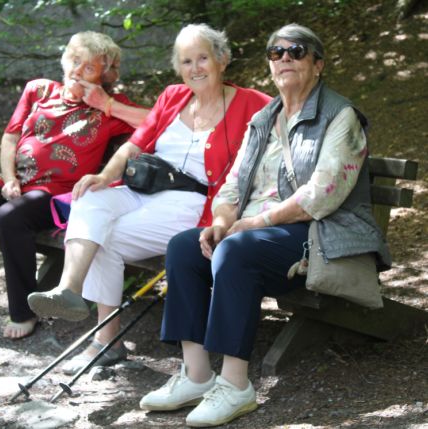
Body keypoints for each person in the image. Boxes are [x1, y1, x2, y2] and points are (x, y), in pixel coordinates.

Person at [139, 23, 391, 427]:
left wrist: (256, 222)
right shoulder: (263, 118)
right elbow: (233, 183)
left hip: (316, 233)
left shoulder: (340, 116)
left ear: (318, 64)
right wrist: (222, 221)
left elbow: (322, 193)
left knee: (236, 252)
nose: (285, 58)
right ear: (270, 64)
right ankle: (197, 375)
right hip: (258, 231)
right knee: (184, 247)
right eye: (277, 52)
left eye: (297, 51)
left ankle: (235, 385)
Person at [27, 23, 272, 375]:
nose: (195, 68)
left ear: (222, 59)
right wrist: (104, 177)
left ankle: (106, 341)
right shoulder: (173, 96)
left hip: (192, 203)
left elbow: (289, 120)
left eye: (203, 58)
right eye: (186, 61)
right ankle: (69, 289)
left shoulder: (251, 102)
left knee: (102, 237)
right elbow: (135, 144)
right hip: (145, 189)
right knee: (89, 200)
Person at [0, 31, 149, 342]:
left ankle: (24, 313)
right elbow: (11, 137)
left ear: (102, 76)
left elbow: (157, 121)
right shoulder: (38, 90)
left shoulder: (108, 108)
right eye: (74, 60)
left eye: (89, 67)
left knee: (9, 217)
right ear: (64, 59)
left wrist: (107, 104)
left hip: (58, 194)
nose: (77, 71)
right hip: (16, 180)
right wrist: (9, 177)